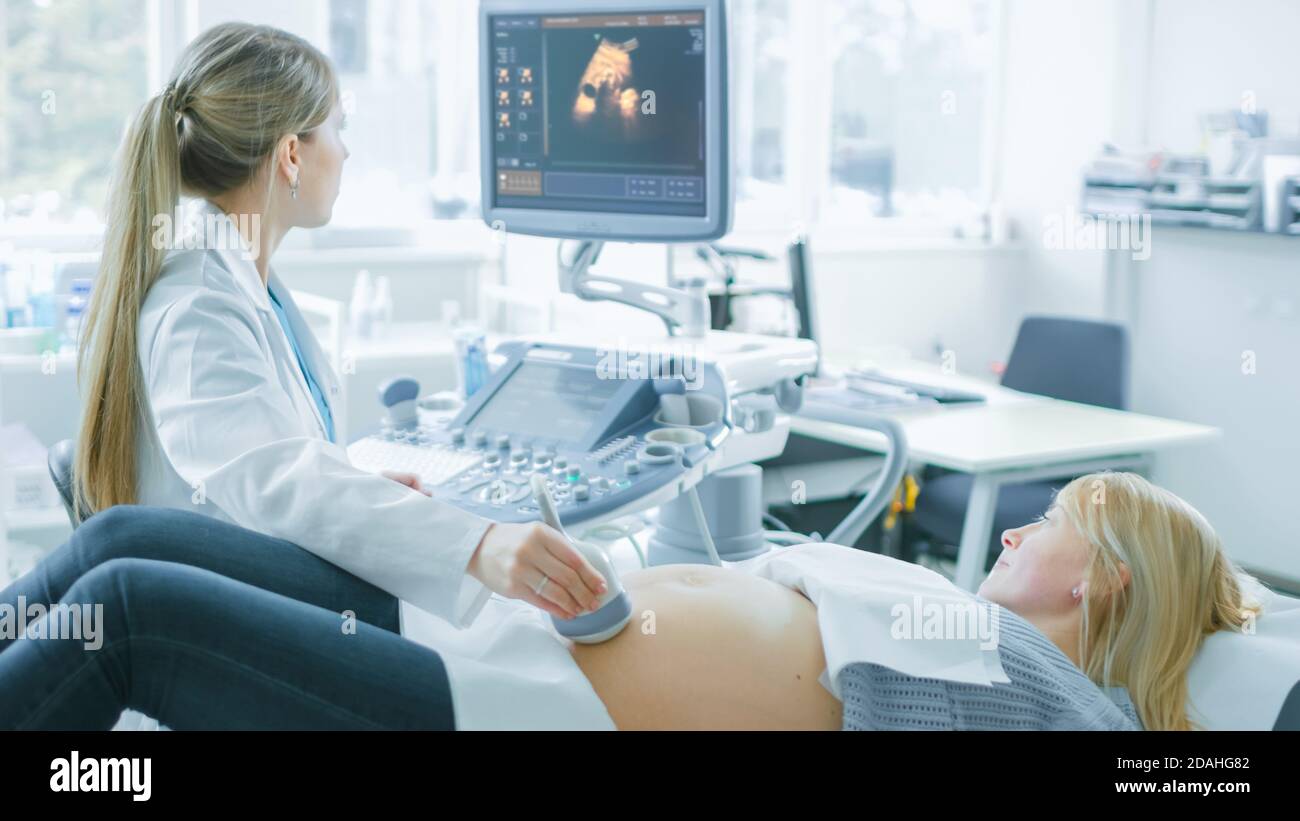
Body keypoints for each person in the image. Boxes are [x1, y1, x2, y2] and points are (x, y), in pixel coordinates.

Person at [0, 473, 1260, 730]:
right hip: (490, 625)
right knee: (128, 534)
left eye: (1058, 525)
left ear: (1102, 580)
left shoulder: (1042, 695)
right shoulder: (948, 610)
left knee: (133, 611)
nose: (1026, 526)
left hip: (514, 701)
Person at [73, 22, 604, 629]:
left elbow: (273, 463)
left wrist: (359, 486)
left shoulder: (240, 281)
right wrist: (479, 545)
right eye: (337, 129)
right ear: (291, 155)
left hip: (272, 604)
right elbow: (275, 483)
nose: (346, 152)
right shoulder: (198, 307)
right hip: (238, 646)